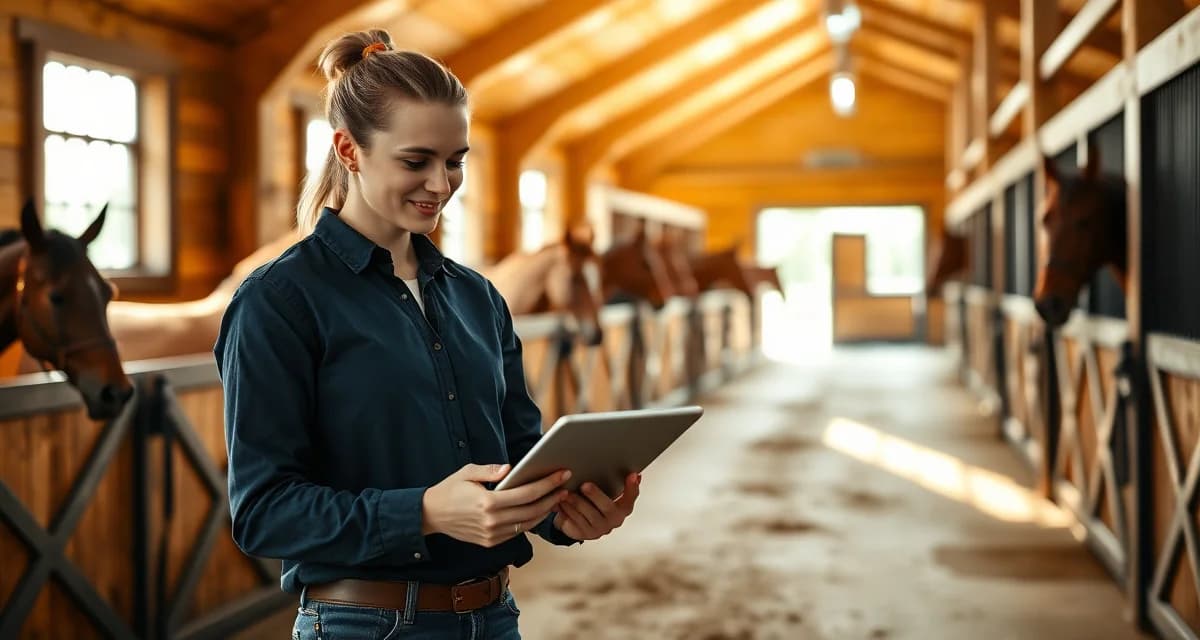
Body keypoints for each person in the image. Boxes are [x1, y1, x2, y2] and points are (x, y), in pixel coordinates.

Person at [214, 29, 641, 639]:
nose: (441, 185)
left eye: (456, 160)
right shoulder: (279, 301)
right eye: (416, 161)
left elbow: (517, 458)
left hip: (494, 619)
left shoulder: (477, 297)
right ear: (349, 150)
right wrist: (421, 513)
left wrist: (567, 515)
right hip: (363, 625)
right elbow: (262, 513)